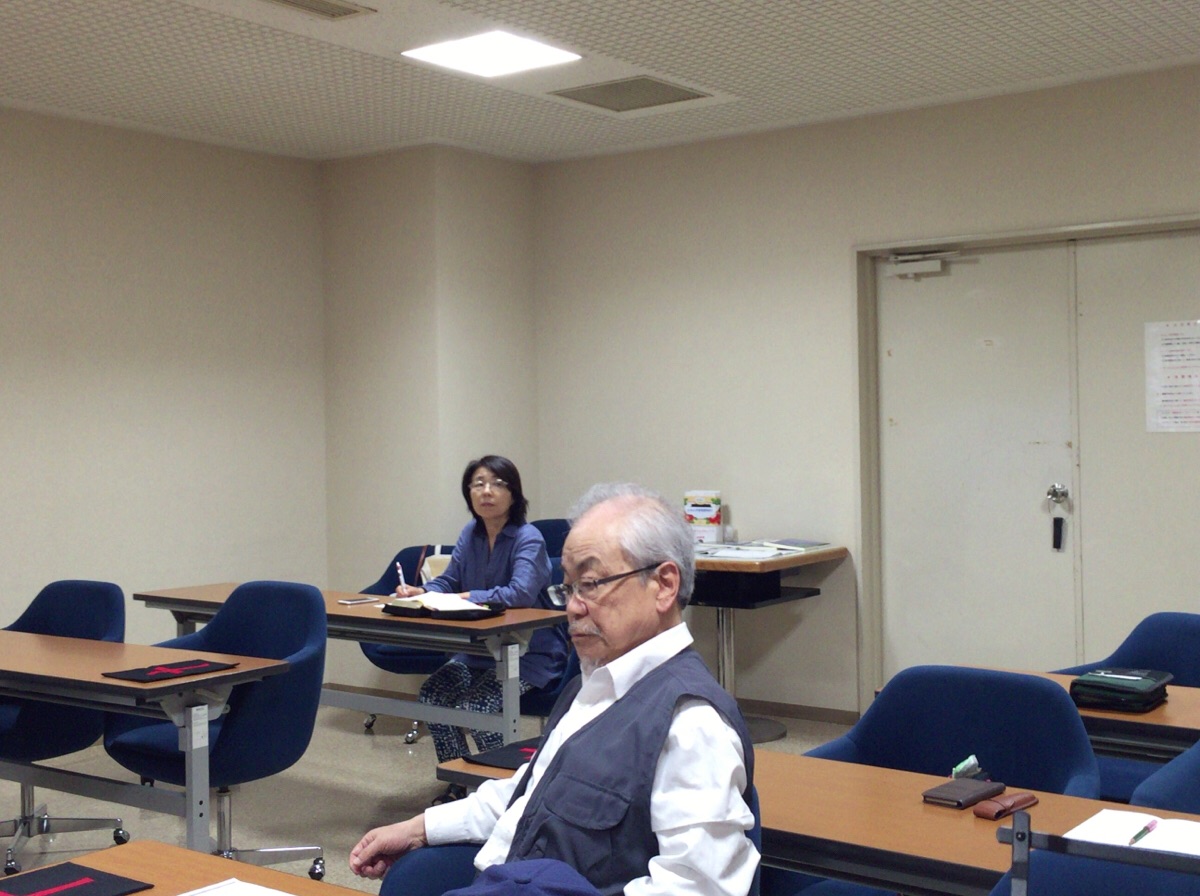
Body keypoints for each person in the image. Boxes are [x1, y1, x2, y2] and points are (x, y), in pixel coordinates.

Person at [351, 482, 758, 896]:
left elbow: (698, 889)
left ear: (664, 585)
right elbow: (531, 793)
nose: (573, 607)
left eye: (591, 584)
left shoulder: (690, 724)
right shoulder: (595, 683)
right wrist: (420, 828)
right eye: (568, 587)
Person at [412, 455, 566, 804]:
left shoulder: (528, 537)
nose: (487, 491)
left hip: (527, 652)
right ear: (468, 493)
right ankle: (460, 783)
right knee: (432, 696)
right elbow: (449, 581)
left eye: (497, 484)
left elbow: (520, 593)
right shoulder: (471, 534)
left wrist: (467, 596)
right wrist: (421, 593)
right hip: (478, 649)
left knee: (477, 709)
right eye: (478, 484)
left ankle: (504, 789)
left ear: (514, 493)